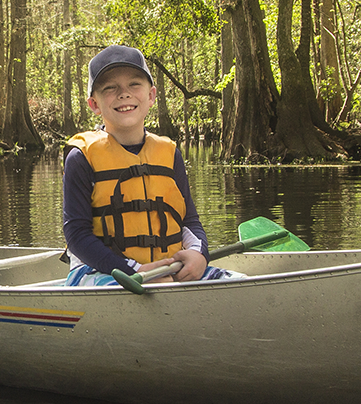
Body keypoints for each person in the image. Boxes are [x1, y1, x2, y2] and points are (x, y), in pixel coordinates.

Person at [63, 44, 239, 286]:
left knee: (238, 280)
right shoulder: (81, 157)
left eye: (134, 84)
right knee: (147, 292)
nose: (124, 94)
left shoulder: (169, 153)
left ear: (151, 95)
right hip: (102, 270)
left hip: (167, 268)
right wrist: (135, 269)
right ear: (94, 104)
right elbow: (77, 236)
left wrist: (199, 255)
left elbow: (189, 221)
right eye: (110, 88)